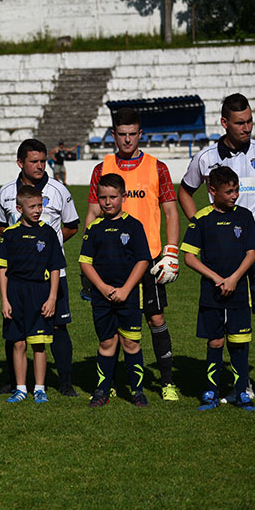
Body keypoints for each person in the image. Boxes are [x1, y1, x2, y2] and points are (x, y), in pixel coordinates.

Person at [178, 93, 255, 406]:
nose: (247, 127)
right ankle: (242, 386)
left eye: (250, 121)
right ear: (224, 123)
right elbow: (185, 191)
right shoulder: (205, 158)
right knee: (230, 324)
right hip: (224, 259)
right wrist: (202, 227)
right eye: (240, 122)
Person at [85, 107, 181, 401]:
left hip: (148, 259)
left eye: (132, 134)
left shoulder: (157, 167)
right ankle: (110, 384)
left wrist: (172, 251)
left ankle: (167, 383)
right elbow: (92, 213)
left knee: (155, 318)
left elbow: (170, 212)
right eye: (121, 134)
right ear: (113, 135)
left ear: (141, 134)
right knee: (112, 325)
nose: (127, 140)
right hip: (109, 261)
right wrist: (90, 253)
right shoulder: (101, 168)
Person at [0, 139, 79, 396]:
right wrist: (21, 248)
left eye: (43, 161)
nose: (41, 166)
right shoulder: (5, 192)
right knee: (14, 327)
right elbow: (0, 225)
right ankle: (13, 383)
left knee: (58, 326)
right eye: (34, 161)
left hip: (52, 275)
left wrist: (45, 248)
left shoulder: (59, 190)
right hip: (18, 277)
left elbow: (72, 226)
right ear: (20, 163)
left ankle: (65, 383)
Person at [180, 166, 255, 412]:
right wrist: (218, 279)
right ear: (212, 190)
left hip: (239, 291)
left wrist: (234, 279)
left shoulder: (244, 216)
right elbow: (189, 257)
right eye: (229, 192)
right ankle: (210, 392)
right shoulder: (201, 219)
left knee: (238, 343)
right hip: (211, 294)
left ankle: (241, 392)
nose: (234, 195)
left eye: (236, 190)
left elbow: (251, 253)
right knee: (215, 342)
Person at [80, 174, 152, 407]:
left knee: (131, 343)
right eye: (103, 198)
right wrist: (102, 287)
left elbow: (143, 260)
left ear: (123, 197)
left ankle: (137, 391)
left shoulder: (134, 226)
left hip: (129, 296)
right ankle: (102, 391)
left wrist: (125, 289)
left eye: (113, 197)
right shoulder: (94, 228)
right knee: (107, 343)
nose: (108, 202)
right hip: (101, 297)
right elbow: (85, 262)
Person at [0, 185, 65, 404]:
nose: (37, 210)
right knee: (18, 343)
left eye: (40, 205)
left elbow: (55, 267)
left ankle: (40, 388)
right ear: (19, 208)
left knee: (39, 343)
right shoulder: (10, 234)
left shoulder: (48, 233)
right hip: (16, 292)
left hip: (39, 291)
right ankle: (21, 388)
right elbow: (2, 268)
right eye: (32, 206)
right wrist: (5, 300)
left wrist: (52, 298)